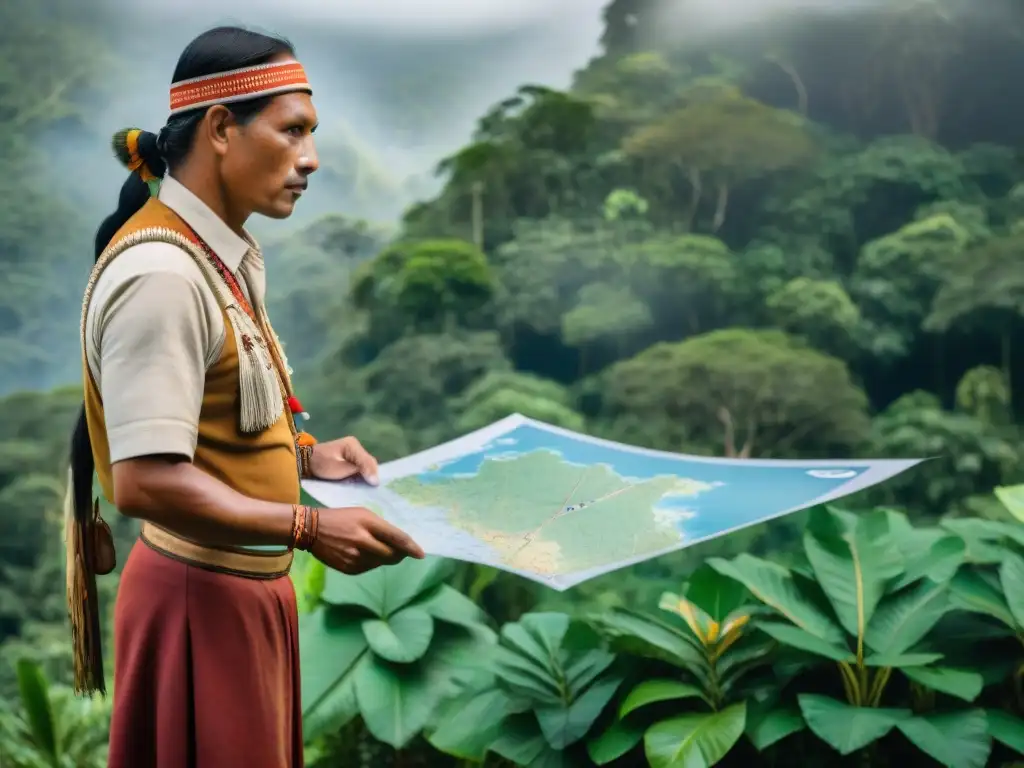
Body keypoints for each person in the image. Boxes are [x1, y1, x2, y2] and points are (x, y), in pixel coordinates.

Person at [64, 25, 424, 768]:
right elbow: (142, 479)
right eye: (292, 131)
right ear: (223, 128)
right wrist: (308, 527)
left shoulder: (219, 254)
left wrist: (306, 455)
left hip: (240, 594)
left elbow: (217, 421)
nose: (311, 159)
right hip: (200, 600)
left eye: (311, 134)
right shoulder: (163, 276)